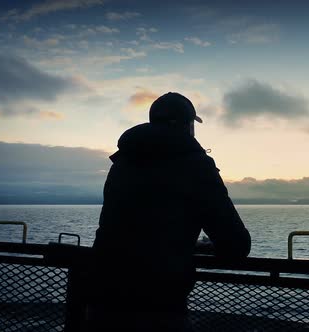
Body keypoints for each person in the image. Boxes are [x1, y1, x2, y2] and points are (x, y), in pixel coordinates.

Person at [90, 92, 251, 331]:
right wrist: (199, 246)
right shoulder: (196, 166)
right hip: (159, 304)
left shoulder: (122, 164)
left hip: (102, 296)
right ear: (188, 126)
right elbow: (236, 245)